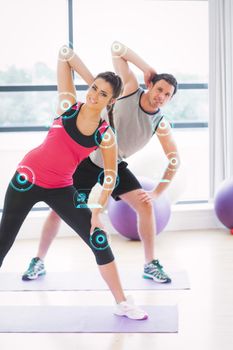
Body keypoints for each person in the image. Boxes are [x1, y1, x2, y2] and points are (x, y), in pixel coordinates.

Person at [0, 45, 148, 321]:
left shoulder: (106, 135)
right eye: (93, 89)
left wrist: (96, 212)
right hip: (26, 178)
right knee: (3, 242)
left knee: (99, 239)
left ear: (111, 102)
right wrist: (98, 81)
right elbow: (64, 54)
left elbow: (111, 175)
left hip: (60, 187)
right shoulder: (68, 105)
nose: (93, 96)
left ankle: (122, 302)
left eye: (103, 94)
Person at [23, 40, 180, 284]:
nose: (161, 96)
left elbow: (174, 159)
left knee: (146, 206)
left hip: (113, 164)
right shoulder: (129, 88)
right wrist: (147, 67)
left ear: (170, 100)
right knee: (57, 211)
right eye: (159, 89)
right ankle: (38, 260)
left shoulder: (160, 123)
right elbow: (117, 48)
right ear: (151, 85)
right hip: (86, 160)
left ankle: (150, 264)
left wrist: (158, 193)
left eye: (167, 95)